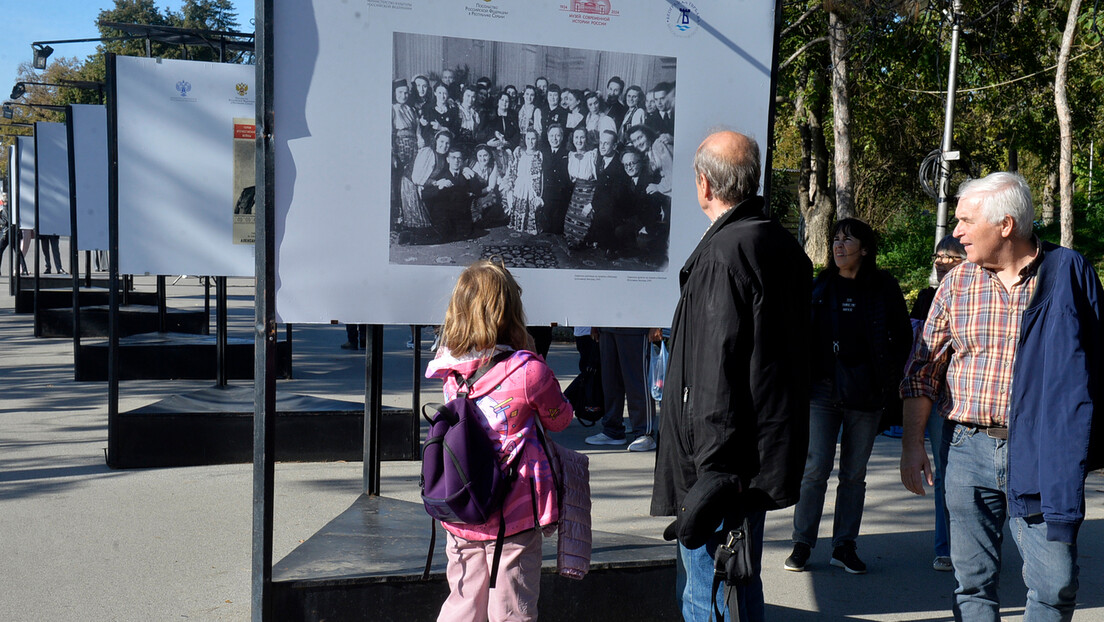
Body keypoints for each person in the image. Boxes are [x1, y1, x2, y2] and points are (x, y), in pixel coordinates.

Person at [900, 172, 1103, 621]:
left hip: (1043, 451)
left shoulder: (1067, 274)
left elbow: (1096, 364)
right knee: (971, 583)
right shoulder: (957, 285)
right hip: (966, 448)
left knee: (1055, 584)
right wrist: (913, 443)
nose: (956, 232)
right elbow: (922, 371)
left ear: (1005, 225)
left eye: (967, 221)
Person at [652, 131, 812, 622]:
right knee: (739, 580)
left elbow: (715, 373)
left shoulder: (727, 253)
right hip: (750, 454)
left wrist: (712, 477)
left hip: (721, 464)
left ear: (704, 184)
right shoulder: (778, 242)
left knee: (708, 590)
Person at [427, 259, 572, 622]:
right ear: (511, 311)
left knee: (462, 606)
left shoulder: (448, 369)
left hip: (462, 506)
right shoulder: (529, 371)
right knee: (512, 609)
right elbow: (561, 419)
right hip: (515, 512)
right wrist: (534, 355)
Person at [784, 218, 911, 575]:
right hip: (822, 390)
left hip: (866, 393)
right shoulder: (820, 286)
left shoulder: (883, 287)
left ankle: (844, 545)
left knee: (854, 474)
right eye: (836, 240)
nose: (839, 246)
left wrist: (887, 379)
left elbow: (902, 337)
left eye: (848, 240)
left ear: (865, 249)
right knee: (815, 468)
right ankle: (802, 543)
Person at [907, 234, 966, 573]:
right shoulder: (927, 297)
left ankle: (976, 544)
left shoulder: (977, 293)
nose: (942, 261)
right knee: (943, 473)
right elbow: (917, 349)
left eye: (951, 255)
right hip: (934, 395)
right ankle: (944, 547)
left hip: (969, 396)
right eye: (939, 255)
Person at [399, 130, 452, 244]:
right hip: (411, 185)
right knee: (419, 221)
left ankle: (413, 236)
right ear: (436, 141)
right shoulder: (428, 152)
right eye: (441, 141)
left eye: (447, 143)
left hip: (423, 186)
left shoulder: (443, 157)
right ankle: (409, 238)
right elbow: (417, 178)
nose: (444, 145)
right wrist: (436, 183)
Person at [422, 147, 480, 242]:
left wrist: (472, 176)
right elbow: (425, 194)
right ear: (448, 160)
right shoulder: (440, 175)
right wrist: (439, 186)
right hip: (444, 215)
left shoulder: (465, 174)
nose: (456, 161)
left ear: (462, 161)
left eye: (459, 158)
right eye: (453, 158)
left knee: (467, 233)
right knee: (443, 235)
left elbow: (477, 191)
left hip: (461, 215)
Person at [563, 127, 598, 249]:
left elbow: (596, 178)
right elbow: (572, 178)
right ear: (572, 140)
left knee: (586, 219)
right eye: (576, 137)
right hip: (577, 192)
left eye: (582, 137)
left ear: (586, 139)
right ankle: (572, 240)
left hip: (589, 192)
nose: (579, 140)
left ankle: (584, 241)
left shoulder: (592, 155)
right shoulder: (571, 155)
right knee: (570, 221)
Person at [507, 129, 544, 235]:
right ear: (524, 139)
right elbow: (514, 169)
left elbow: (539, 173)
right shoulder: (519, 152)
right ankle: (518, 224)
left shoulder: (538, 154)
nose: (530, 141)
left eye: (533, 139)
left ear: (537, 140)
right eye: (528, 138)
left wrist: (537, 190)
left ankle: (530, 226)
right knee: (519, 203)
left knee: (531, 205)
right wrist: (512, 183)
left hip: (531, 184)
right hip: (520, 183)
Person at [539, 124, 571, 235]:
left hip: (560, 196)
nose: (554, 139)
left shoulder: (567, 154)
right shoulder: (543, 153)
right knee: (545, 228)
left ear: (562, 137)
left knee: (557, 229)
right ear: (548, 137)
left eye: (557, 136)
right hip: (546, 194)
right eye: (552, 136)